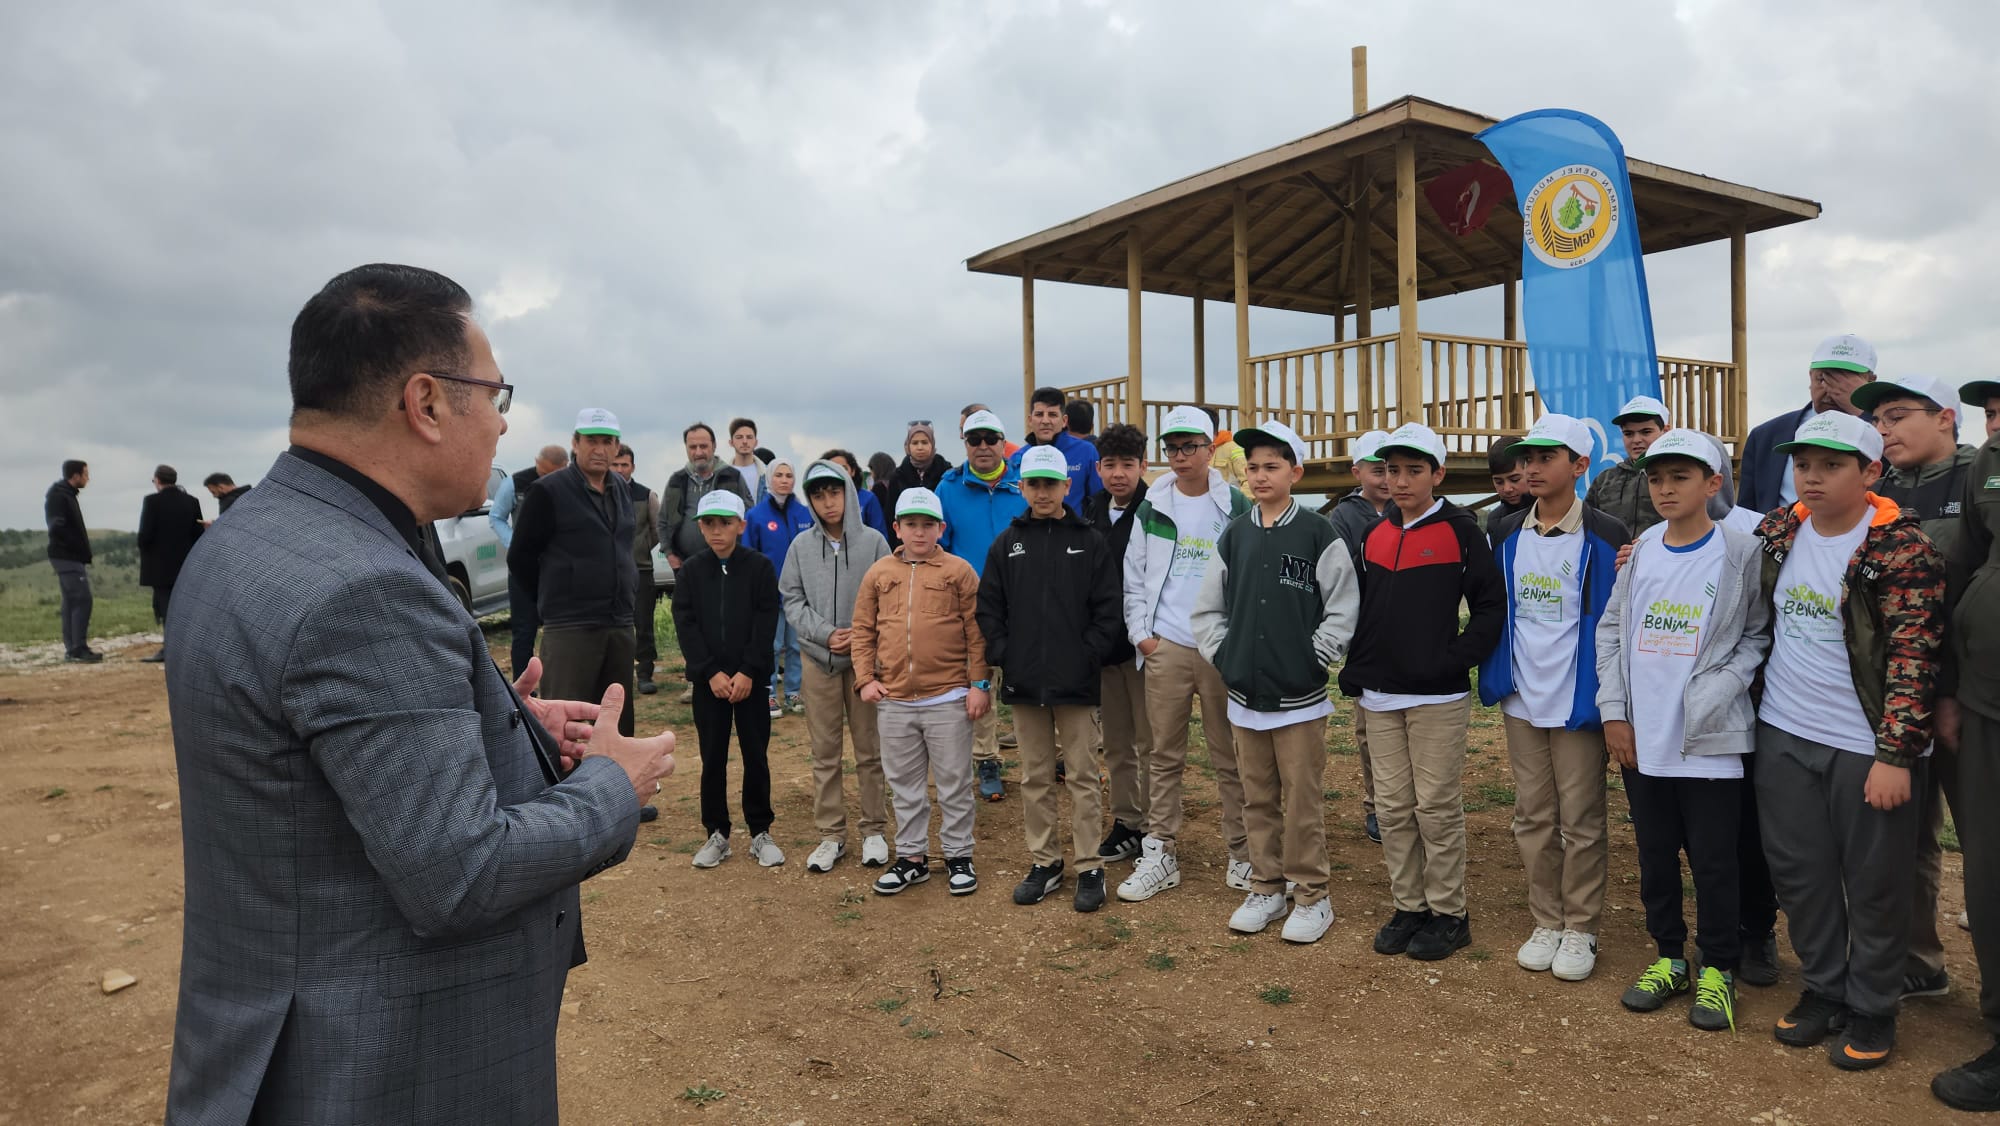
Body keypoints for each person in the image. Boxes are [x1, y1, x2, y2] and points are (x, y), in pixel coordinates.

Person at [161, 263, 674, 1124]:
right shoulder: (364, 589)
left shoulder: (260, 535)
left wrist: (500, 725)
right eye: (495, 392)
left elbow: (330, 756)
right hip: (383, 1067)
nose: (505, 420)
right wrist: (610, 789)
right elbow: (460, 873)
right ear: (427, 403)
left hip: (278, 1030)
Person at [1752, 410, 1943, 1070]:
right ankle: (1824, 987)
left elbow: (1917, 654)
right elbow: (1731, 560)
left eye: (1831, 465)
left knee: (1875, 881)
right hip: (1783, 730)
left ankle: (1872, 1004)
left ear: (1870, 471)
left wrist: (1895, 754)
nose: (1812, 477)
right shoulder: (1781, 531)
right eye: (1803, 464)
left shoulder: (1898, 547)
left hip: (1864, 743)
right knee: (1800, 874)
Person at [1593, 429, 1772, 1032]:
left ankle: (1718, 965)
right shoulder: (1642, 548)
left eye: (1681, 478)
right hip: (1642, 735)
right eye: (1657, 478)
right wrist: (1614, 711)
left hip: (1709, 737)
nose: (1666, 489)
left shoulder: (1741, 550)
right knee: (1654, 856)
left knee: (1717, 859)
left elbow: (1755, 635)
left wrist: (1718, 692)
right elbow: (1612, 628)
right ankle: (1670, 955)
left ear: (1713, 484)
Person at [1341, 422, 1505, 962]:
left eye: (1414, 470)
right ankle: (1409, 905)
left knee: (1434, 807)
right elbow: (1363, 608)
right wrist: (1358, 668)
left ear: (1437, 474)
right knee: (1391, 808)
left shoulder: (1462, 530)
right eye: (1391, 470)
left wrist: (1453, 660)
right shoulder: (1374, 533)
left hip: (1437, 697)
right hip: (1381, 694)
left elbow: (1488, 607)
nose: (1401, 481)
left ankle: (1450, 914)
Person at [1478, 413, 1631, 983]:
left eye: (1548, 457)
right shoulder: (1506, 532)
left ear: (1580, 464)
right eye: (1529, 458)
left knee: (1582, 820)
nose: (1533, 468)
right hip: (1521, 697)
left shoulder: (1608, 534)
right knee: (1533, 817)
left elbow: (1616, 620)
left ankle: (1581, 927)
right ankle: (1547, 919)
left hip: (1577, 703)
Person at [1193, 420, 1358, 945]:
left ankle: (1311, 893)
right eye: (1254, 467)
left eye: (1272, 467)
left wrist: (1315, 656)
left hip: (1300, 699)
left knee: (1302, 800)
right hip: (1245, 696)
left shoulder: (1317, 531)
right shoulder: (1235, 534)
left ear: (1296, 472)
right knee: (1256, 798)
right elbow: (1209, 608)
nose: (1261, 476)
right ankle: (1266, 886)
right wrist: (1226, 654)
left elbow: (1342, 606)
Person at [1849, 374, 1978, 1001]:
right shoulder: (1877, 489)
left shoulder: (1982, 481)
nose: (1885, 430)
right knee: (1907, 835)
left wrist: (1954, 692)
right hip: (1896, 698)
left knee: (1983, 840)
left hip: (1972, 698)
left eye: (1897, 416)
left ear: (1946, 418)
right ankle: (1916, 960)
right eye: (1878, 421)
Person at [1116, 405, 1254, 904]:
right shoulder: (1152, 505)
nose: (1179, 457)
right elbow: (1134, 573)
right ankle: (1161, 850)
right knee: (1162, 754)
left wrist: (1236, 637)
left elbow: (1250, 572)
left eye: (1189, 446)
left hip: (1220, 647)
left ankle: (1243, 851)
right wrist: (1143, 636)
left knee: (1231, 755)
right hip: (1167, 647)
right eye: (1171, 448)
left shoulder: (1237, 504)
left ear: (1210, 448)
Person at [978, 446, 1123, 912]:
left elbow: (1107, 609)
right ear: (1021, 487)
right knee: (1035, 776)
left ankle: (1088, 865)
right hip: (1025, 682)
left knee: (1081, 775)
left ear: (1066, 487)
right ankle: (1045, 862)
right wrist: (1006, 655)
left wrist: (1087, 656)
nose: (1042, 492)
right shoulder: (1006, 543)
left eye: (1051, 484)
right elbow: (989, 609)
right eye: (1034, 484)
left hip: (1076, 682)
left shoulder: (1091, 540)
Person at [852, 487, 990, 898]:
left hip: (947, 696)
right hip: (893, 699)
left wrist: (979, 684)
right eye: (911, 524)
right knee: (905, 784)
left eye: (928, 524)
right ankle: (911, 858)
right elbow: (863, 629)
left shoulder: (959, 571)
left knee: (954, 783)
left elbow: (976, 632)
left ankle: (958, 856)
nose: (919, 532)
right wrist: (865, 678)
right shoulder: (879, 573)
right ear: (896, 527)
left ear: (941, 529)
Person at [1933, 391, 2000, 1110]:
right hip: (1986, 702)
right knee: (1989, 871)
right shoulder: (1991, 467)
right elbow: (1965, 577)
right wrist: (1948, 689)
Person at [781, 460, 893, 873]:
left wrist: (864, 639)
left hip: (866, 665)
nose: (828, 502)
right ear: (810, 500)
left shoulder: (874, 543)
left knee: (870, 750)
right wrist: (826, 633)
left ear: (848, 491)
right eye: (818, 495)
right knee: (825, 752)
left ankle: (874, 830)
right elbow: (791, 599)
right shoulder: (800, 547)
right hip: (818, 660)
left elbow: (889, 596)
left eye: (834, 492)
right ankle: (831, 835)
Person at [509, 408, 641, 739]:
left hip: (619, 624)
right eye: (591, 441)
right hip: (571, 629)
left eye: (607, 442)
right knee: (565, 729)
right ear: (575, 443)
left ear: (617, 447)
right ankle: (567, 791)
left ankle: (619, 789)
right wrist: (555, 597)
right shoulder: (548, 491)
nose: (600, 449)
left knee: (616, 724)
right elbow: (521, 556)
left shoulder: (621, 489)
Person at [672, 489, 785, 870]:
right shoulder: (690, 570)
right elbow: (685, 624)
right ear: (700, 528)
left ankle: (760, 831)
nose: (717, 531)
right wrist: (709, 672)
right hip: (711, 683)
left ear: (741, 525)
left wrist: (749, 670)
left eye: (725, 523)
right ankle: (716, 833)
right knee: (712, 757)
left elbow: (766, 618)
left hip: (749, 682)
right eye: (709, 524)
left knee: (756, 754)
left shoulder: (760, 567)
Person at [938, 409, 1029, 801]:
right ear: (965, 444)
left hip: (1026, 601)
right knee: (980, 681)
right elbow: (941, 545)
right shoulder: (949, 487)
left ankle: (1047, 759)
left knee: (1033, 681)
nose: (983, 447)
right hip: (973, 604)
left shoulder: (1024, 485)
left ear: (1002, 441)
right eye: (974, 440)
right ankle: (987, 759)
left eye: (991, 438)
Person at [1083, 422, 1153, 866]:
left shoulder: (1156, 511)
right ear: (1098, 468)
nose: (1119, 474)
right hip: (1104, 649)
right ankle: (1128, 821)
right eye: (1110, 465)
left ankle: (1157, 827)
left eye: (1128, 464)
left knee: (1152, 742)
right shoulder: (1089, 511)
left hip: (1145, 649)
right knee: (1117, 743)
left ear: (1143, 466)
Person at [1328, 428, 1391, 843]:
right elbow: (1341, 577)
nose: (1387, 478)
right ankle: (1377, 806)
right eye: (1378, 469)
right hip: (1368, 635)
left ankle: (1404, 805)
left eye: (1393, 469)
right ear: (1358, 471)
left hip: (1407, 630)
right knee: (1371, 729)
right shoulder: (1343, 517)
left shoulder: (1411, 509)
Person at [1737, 334, 1877, 513]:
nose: (1832, 390)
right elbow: (1747, 512)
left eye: (1845, 382)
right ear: (1810, 376)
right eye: (1823, 379)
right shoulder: (1767, 435)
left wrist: (1858, 410)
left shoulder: (1885, 431)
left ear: (1870, 382)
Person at [745, 458, 816, 715]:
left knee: (797, 646)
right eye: (779, 475)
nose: (784, 480)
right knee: (772, 647)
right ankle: (769, 693)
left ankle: (794, 693)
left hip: (799, 593)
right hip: (770, 594)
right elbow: (748, 554)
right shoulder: (755, 516)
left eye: (789, 475)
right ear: (769, 479)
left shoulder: (805, 514)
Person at [492, 445, 569, 677]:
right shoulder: (515, 483)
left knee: (561, 630)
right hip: (523, 569)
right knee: (524, 631)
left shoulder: (572, 486)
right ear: (537, 462)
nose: (546, 479)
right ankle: (522, 691)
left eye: (553, 474)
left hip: (558, 569)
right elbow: (496, 517)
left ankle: (560, 683)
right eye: (543, 472)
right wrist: (516, 544)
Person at [660, 423, 754, 573]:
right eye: (692, 447)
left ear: (714, 446)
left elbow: (749, 515)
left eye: (703, 446)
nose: (698, 452)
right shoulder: (676, 480)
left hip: (726, 563)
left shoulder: (732, 476)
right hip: (685, 565)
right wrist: (669, 554)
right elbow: (663, 520)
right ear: (686, 448)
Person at [136, 464, 204, 664]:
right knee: (185, 607)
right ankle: (187, 648)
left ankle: (169, 649)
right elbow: (197, 535)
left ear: (158, 480)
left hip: (160, 567)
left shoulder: (152, 502)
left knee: (166, 607)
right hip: (186, 564)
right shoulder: (192, 502)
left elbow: (145, 536)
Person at [611, 445, 664, 695]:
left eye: (625, 465)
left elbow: (657, 531)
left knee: (643, 623)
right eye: (616, 464)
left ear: (633, 466)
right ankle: (616, 677)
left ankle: (644, 672)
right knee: (611, 624)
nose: (620, 470)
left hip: (641, 569)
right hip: (608, 572)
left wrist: (639, 548)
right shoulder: (600, 492)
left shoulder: (647, 495)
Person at [1585, 395, 1673, 536]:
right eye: (1628, 434)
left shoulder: (1679, 477)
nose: (1636, 440)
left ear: (1666, 431)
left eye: (1646, 432)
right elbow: (1588, 528)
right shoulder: (1605, 480)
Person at [1008, 386, 1102, 513]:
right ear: (1030, 420)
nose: (1045, 421)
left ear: (1064, 421)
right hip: (1030, 532)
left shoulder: (1086, 452)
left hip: (1073, 532)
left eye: (1052, 415)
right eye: (1039, 414)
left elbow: (1099, 500)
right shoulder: (1017, 457)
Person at [45, 459, 98, 663]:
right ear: (75, 476)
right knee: (82, 599)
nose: (88, 478)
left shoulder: (66, 494)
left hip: (68, 556)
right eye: (85, 474)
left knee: (71, 601)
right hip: (67, 556)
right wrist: (74, 545)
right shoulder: (59, 496)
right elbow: (57, 526)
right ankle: (78, 648)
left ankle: (74, 648)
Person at [883, 420, 953, 548]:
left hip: (941, 546)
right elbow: (890, 516)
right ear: (907, 446)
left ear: (932, 444)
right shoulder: (897, 477)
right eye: (915, 443)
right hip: (906, 547)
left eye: (925, 442)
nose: (920, 447)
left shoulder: (947, 474)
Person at [820, 448, 892, 540]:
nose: (839, 472)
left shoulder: (868, 498)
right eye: (833, 469)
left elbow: (881, 536)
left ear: (853, 471)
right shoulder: (820, 501)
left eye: (843, 468)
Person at [1487, 436, 1533, 526]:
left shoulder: (1549, 513)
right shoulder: (1495, 520)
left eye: (1514, 479)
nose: (1507, 489)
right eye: (1499, 482)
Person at [727, 418, 766, 502]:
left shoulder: (767, 474)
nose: (744, 441)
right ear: (731, 442)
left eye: (749, 437)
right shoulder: (722, 475)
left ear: (756, 442)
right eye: (739, 437)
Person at [867, 451, 898, 517]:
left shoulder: (879, 487)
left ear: (877, 469)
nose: (871, 474)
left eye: (872, 470)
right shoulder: (897, 482)